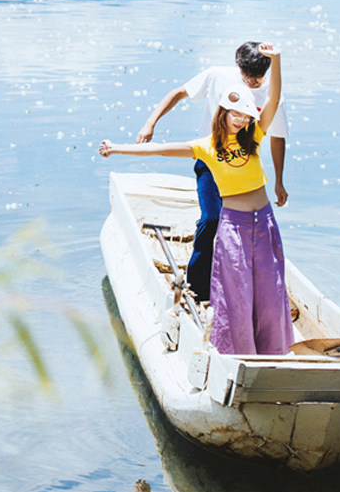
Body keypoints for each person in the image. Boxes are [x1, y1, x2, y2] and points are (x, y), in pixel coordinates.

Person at [100, 44, 292, 356]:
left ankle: (273, 349)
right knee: (235, 287)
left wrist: (278, 59)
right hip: (234, 224)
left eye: (245, 115)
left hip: (264, 221)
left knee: (270, 287)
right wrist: (117, 147)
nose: (240, 120)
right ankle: (233, 346)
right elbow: (158, 150)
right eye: (234, 114)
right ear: (222, 113)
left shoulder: (254, 137)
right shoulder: (206, 147)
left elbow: (274, 97)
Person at [136, 42, 289, 302]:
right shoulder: (217, 75)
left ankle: (244, 287)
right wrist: (150, 122)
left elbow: (277, 137)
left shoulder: (272, 95)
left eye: (258, 77)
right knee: (211, 218)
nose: (252, 82)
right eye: (247, 75)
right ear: (238, 66)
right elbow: (179, 93)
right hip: (210, 161)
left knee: (246, 228)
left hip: (242, 168)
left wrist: (279, 181)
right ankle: (196, 287)